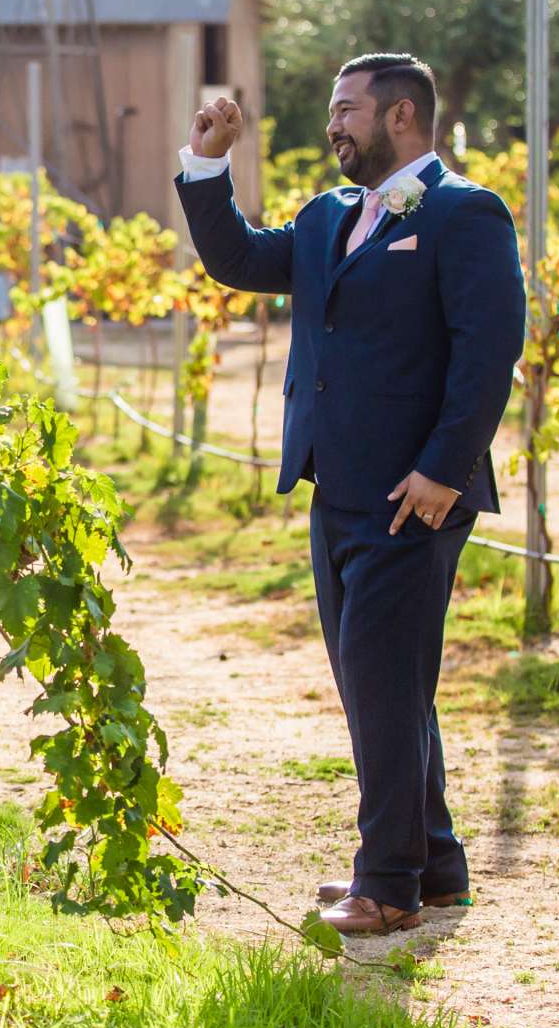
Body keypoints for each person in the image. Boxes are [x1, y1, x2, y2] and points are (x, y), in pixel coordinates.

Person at [173, 56, 525, 935]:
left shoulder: (463, 213)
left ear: (401, 116)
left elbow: (489, 352)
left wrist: (445, 469)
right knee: (387, 686)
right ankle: (436, 867)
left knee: (379, 684)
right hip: (337, 491)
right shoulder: (327, 217)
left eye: (346, 111)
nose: (333, 126)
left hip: (417, 496)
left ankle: (388, 884)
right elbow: (240, 260)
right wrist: (208, 166)